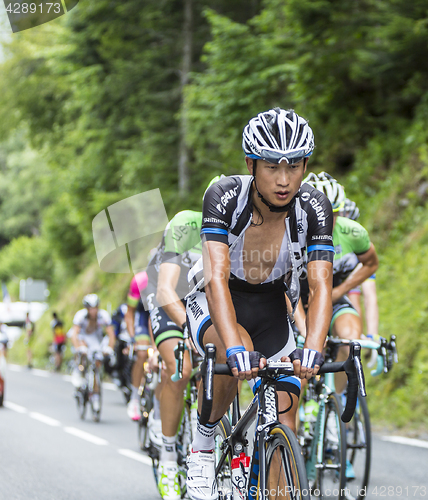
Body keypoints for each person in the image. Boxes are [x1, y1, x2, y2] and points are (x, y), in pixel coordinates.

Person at [185, 108, 334, 500]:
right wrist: (233, 348)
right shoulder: (224, 196)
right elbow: (216, 277)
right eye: (272, 167)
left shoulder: (313, 208)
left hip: (271, 306)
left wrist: (315, 348)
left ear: (306, 165)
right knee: (242, 355)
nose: (284, 180)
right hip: (218, 299)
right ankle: (202, 443)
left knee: (286, 416)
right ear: (251, 164)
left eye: (295, 166)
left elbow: (320, 285)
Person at [143, 206, 207, 500]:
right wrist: (190, 329)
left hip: (202, 300)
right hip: (167, 300)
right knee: (179, 368)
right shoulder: (185, 225)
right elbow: (164, 292)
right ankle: (169, 460)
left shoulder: (246, 232)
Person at [302, 173, 379, 392]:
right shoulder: (291, 232)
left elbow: (371, 265)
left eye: (333, 213)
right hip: (297, 301)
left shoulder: (352, 232)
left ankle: (334, 402)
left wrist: (340, 290)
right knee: (299, 370)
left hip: (331, 297)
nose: (327, 219)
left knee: (351, 341)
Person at [70, 294, 116, 411]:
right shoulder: (80, 316)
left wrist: (110, 347)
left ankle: (95, 394)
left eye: (95, 308)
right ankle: (78, 370)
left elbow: (111, 334)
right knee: (82, 351)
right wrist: (79, 348)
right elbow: (74, 334)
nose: (93, 311)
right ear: (86, 309)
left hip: (97, 339)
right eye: (91, 308)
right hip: (83, 338)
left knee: (96, 363)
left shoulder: (103, 315)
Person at [124, 272, 151, 420]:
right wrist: (133, 338)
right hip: (143, 318)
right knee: (142, 353)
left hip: (161, 316)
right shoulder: (139, 281)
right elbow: (130, 313)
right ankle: (134, 399)